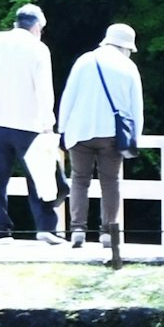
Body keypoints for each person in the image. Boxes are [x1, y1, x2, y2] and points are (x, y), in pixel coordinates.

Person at [0, 2, 59, 239]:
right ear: (37, 26)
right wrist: (48, 123)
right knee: (39, 176)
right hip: (29, 124)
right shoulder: (39, 49)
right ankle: (46, 228)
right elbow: (44, 90)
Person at [58, 23, 145, 263]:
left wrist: (62, 129)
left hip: (80, 131)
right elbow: (136, 107)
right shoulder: (128, 67)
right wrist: (135, 136)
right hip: (111, 134)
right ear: (126, 46)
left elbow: (69, 96)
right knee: (111, 181)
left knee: (79, 180)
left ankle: (77, 230)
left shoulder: (85, 61)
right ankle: (107, 232)